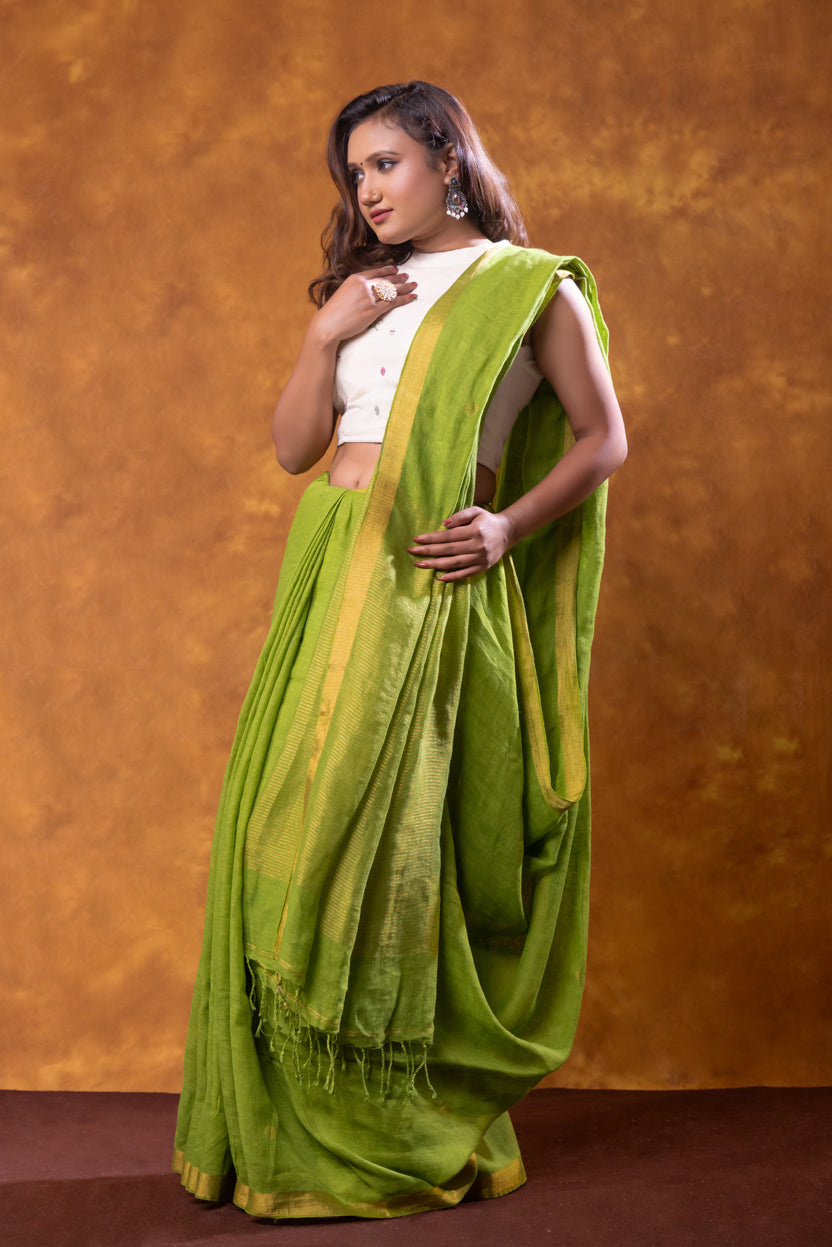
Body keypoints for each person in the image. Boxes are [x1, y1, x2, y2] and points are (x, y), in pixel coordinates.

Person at [173, 80, 627, 1221]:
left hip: (427, 578)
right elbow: (291, 450)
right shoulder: (358, 295)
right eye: (354, 174)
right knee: (276, 818)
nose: (367, 190)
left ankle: (381, 1123)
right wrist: (323, 331)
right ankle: (282, 1127)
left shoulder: (529, 285)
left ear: (448, 158)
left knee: (389, 843)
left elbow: (603, 435)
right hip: (330, 561)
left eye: (386, 163)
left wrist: (509, 524)